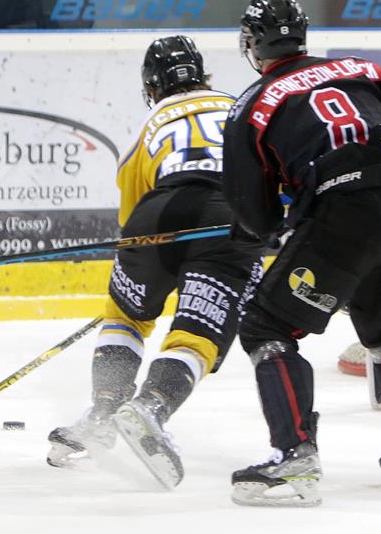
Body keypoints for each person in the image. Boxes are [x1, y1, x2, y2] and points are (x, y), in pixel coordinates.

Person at [223, 0, 381, 507]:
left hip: (345, 214)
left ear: (251, 45)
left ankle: (294, 457)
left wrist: (280, 226)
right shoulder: (361, 69)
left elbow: (251, 210)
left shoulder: (251, 104)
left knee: (266, 326)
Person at [47, 36, 265, 490]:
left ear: (151, 86)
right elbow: (269, 171)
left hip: (156, 213)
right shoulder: (241, 106)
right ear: (203, 74)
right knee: (195, 334)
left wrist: (140, 277)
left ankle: (104, 411)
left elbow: (131, 222)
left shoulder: (147, 126)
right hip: (225, 217)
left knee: (125, 316)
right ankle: (152, 406)